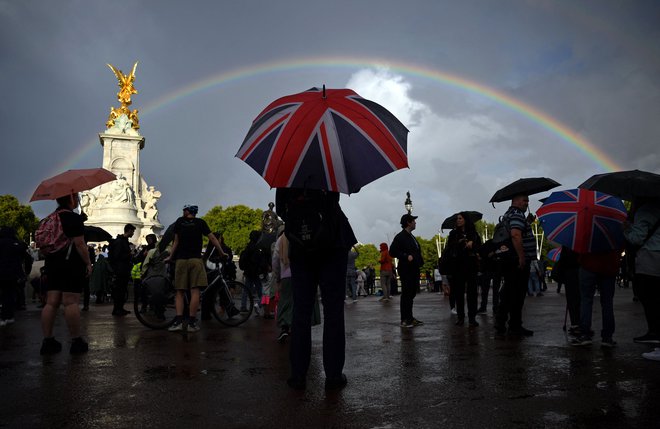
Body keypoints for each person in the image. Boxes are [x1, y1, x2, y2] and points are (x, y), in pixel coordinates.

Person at [276, 187, 357, 391]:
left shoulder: (288, 171)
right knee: (333, 311)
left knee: (301, 311)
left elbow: (281, 209)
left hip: (300, 245)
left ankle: (298, 375)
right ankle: (333, 375)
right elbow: (333, 201)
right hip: (331, 242)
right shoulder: (330, 162)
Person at [40, 193, 92, 355]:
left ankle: (48, 341)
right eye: (75, 197)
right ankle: (76, 341)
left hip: (52, 264)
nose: (77, 200)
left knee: (51, 302)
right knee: (71, 302)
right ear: (70, 199)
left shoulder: (49, 218)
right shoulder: (73, 218)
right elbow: (80, 244)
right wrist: (88, 263)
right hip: (70, 264)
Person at [166, 204, 227, 332]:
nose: (183, 211)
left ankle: (178, 321)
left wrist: (170, 256)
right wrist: (221, 252)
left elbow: (175, 241)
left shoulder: (179, 221)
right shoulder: (200, 223)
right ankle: (192, 323)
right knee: (195, 291)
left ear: (188, 211)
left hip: (181, 260)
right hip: (195, 260)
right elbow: (212, 238)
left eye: (184, 209)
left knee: (179, 292)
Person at [494, 194, 536, 337]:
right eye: (525, 200)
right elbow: (516, 235)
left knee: (509, 292)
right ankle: (514, 326)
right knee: (517, 294)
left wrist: (528, 221)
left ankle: (502, 323)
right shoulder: (517, 214)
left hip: (508, 259)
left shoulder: (509, 214)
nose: (527, 203)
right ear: (516, 201)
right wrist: (521, 257)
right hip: (516, 260)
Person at [624, 198, 660, 352]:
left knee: (649, 297)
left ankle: (654, 331)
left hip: (650, 258)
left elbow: (636, 239)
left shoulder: (644, 211)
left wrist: (626, 228)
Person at [570, 250, 621, 348]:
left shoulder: (588, 234)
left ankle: (585, 334)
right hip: (609, 264)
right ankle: (607, 337)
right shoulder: (613, 234)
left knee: (586, 300)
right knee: (607, 303)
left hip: (588, 263)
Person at [444, 212, 482, 327]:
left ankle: (472, 317)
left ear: (465, 219)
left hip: (471, 266)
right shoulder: (453, 233)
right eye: (457, 219)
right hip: (458, 266)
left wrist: (472, 243)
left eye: (460, 218)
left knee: (472, 293)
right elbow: (449, 248)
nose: (458, 220)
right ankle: (461, 317)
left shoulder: (473, 233)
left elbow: (479, 247)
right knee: (458, 293)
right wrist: (459, 242)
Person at [389, 214, 424, 328]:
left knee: (412, 293)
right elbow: (392, 252)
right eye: (413, 221)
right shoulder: (400, 237)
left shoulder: (411, 236)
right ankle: (404, 319)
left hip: (414, 268)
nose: (415, 222)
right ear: (408, 222)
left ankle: (410, 317)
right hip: (406, 269)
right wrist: (405, 256)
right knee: (407, 294)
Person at [0, 227, 27, 326]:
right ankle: (8, 316)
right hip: (12, 274)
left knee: (3, 295)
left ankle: (3, 316)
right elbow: (24, 254)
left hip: (1, 272)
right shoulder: (16, 244)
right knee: (9, 295)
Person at [108, 223, 136, 316]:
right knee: (120, 290)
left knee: (122, 289)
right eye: (133, 231)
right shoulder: (120, 241)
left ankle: (120, 308)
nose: (133, 233)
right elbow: (117, 256)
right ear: (129, 230)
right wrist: (130, 254)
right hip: (120, 269)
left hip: (123, 268)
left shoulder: (123, 241)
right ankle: (117, 309)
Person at [239, 230, 267, 314]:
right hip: (255, 273)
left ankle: (243, 306)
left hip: (248, 272)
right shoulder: (257, 248)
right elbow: (258, 262)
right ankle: (261, 305)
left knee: (246, 290)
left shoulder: (248, 247)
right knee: (261, 291)